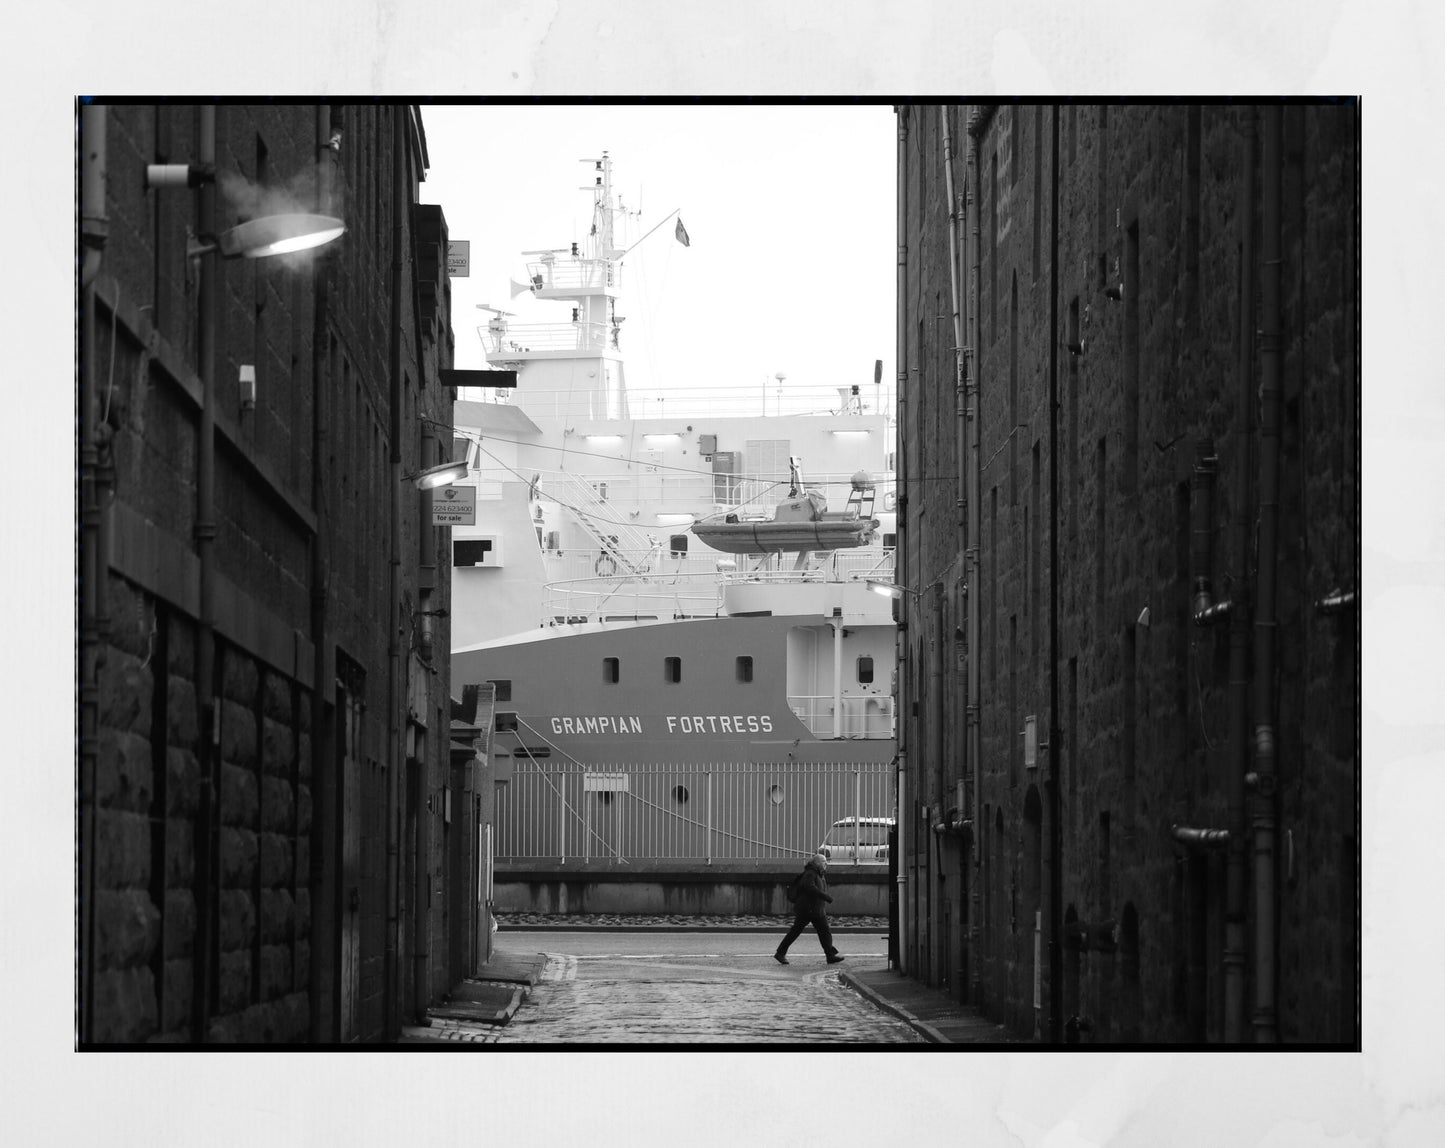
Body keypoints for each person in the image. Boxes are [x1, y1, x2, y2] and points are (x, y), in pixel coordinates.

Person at [775, 853, 844, 965]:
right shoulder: (810, 873)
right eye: (823, 861)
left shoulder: (818, 873)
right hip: (808, 910)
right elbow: (809, 887)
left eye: (826, 861)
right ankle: (780, 953)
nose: (826, 863)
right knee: (801, 931)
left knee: (823, 932)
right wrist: (825, 897)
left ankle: (830, 955)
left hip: (815, 909)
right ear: (816, 862)